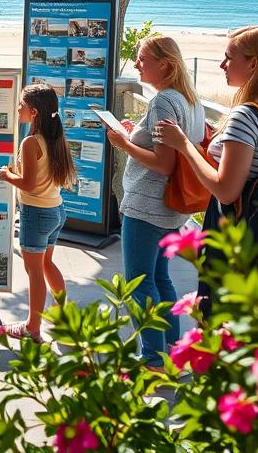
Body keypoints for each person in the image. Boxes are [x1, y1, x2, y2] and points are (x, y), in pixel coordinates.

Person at [157, 25, 258, 311]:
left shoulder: (247, 116)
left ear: (253, 64)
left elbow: (226, 191)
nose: (222, 65)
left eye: (229, 57)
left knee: (222, 321)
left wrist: (184, 145)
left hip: (238, 238)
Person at [104, 36, 205, 368]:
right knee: (160, 277)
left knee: (139, 281)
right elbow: (171, 148)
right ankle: (174, 350)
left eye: (142, 58)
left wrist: (123, 143)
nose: (136, 64)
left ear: (165, 64)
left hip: (148, 204)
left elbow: (163, 163)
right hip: (171, 208)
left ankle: (151, 358)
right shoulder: (191, 101)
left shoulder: (163, 101)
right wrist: (137, 133)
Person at [0, 83, 76, 342]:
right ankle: (63, 317)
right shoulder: (56, 138)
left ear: (33, 113)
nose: (18, 108)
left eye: (21, 105)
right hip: (55, 210)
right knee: (46, 264)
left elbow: (28, 183)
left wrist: (8, 176)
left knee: (34, 271)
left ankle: (32, 327)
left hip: (36, 213)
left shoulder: (31, 142)